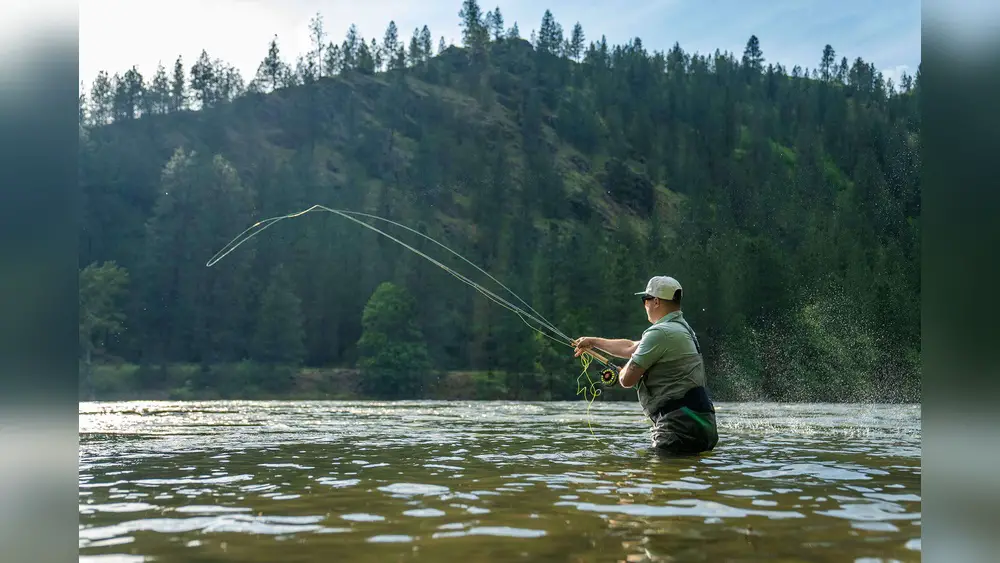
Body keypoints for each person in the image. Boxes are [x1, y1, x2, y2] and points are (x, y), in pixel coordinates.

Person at [573, 275, 718, 455]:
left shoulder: (660, 333)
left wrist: (622, 372)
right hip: (703, 424)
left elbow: (627, 379)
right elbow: (631, 347)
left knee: (654, 478)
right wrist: (593, 342)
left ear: (656, 301)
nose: (644, 305)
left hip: (678, 427)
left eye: (645, 299)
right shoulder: (681, 329)